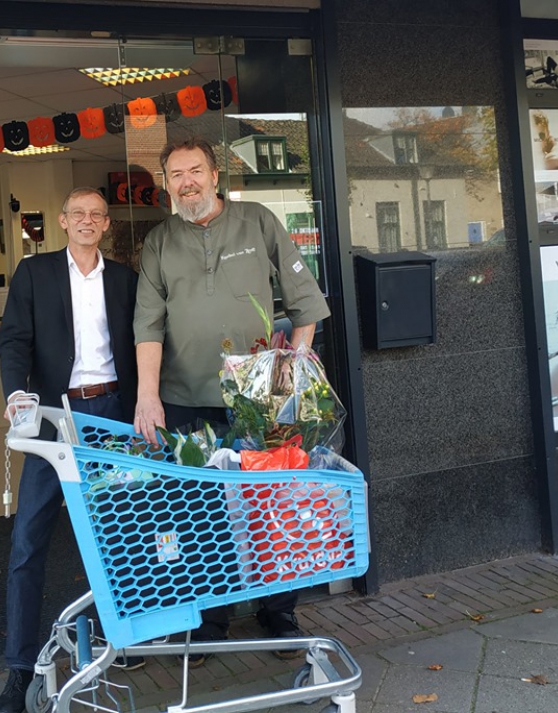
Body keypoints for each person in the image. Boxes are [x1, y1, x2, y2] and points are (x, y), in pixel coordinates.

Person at [133, 136, 330, 664]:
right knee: (199, 514)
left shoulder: (259, 222)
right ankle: (208, 623)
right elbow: (148, 325)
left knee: (272, 507)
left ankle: (279, 612)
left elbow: (305, 302)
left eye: (195, 170)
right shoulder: (158, 242)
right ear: (168, 184)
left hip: (262, 400)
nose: (187, 182)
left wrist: (291, 368)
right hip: (185, 401)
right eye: (176, 175)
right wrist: (147, 397)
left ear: (215, 175)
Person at [0, 187, 140, 713]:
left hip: (112, 417)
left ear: (105, 225)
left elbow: (144, 341)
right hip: (54, 418)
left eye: (95, 215)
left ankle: (120, 640)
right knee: (28, 540)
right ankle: (19, 667)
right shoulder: (34, 274)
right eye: (77, 213)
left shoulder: (125, 279)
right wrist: (17, 394)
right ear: (62, 222)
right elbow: (13, 340)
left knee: (115, 536)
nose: (86, 221)